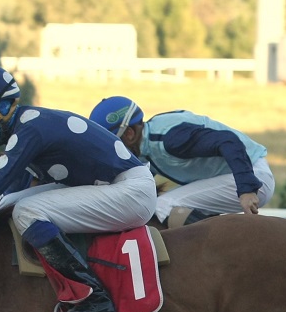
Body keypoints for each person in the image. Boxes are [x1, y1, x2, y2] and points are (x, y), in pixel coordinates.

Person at [0, 64, 157, 312]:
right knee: (9, 205)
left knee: (27, 211)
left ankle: (92, 295)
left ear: (0, 109)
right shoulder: (26, 128)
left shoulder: (31, 130)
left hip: (132, 192)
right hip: (116, 187)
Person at [87, 96, 275, 225]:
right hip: (237, 176)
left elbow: (229, 141)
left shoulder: (170, 140)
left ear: (129, 134)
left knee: (165, 205)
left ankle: (227, 247)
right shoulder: (147, 145)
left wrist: (247, 189)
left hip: (252, 178)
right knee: (167, 203)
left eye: (114, 143)